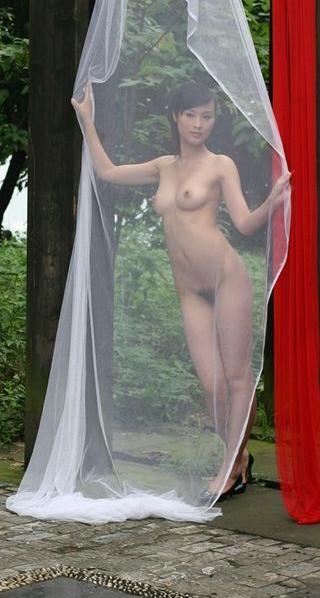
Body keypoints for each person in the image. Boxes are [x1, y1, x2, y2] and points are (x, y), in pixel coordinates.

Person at [72, 80, 290, 502]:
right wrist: (86, 120)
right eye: (191, 115)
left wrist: (273, 201)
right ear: (175, 116)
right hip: (189, 290)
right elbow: (108, 171)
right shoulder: (163, 167)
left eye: (207, 116)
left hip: (227, 278)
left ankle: (231, 466)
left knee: (236, 378)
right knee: (211, 385)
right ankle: (239, 457)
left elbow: (244, 224)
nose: (198, 124)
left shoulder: (221, 165)